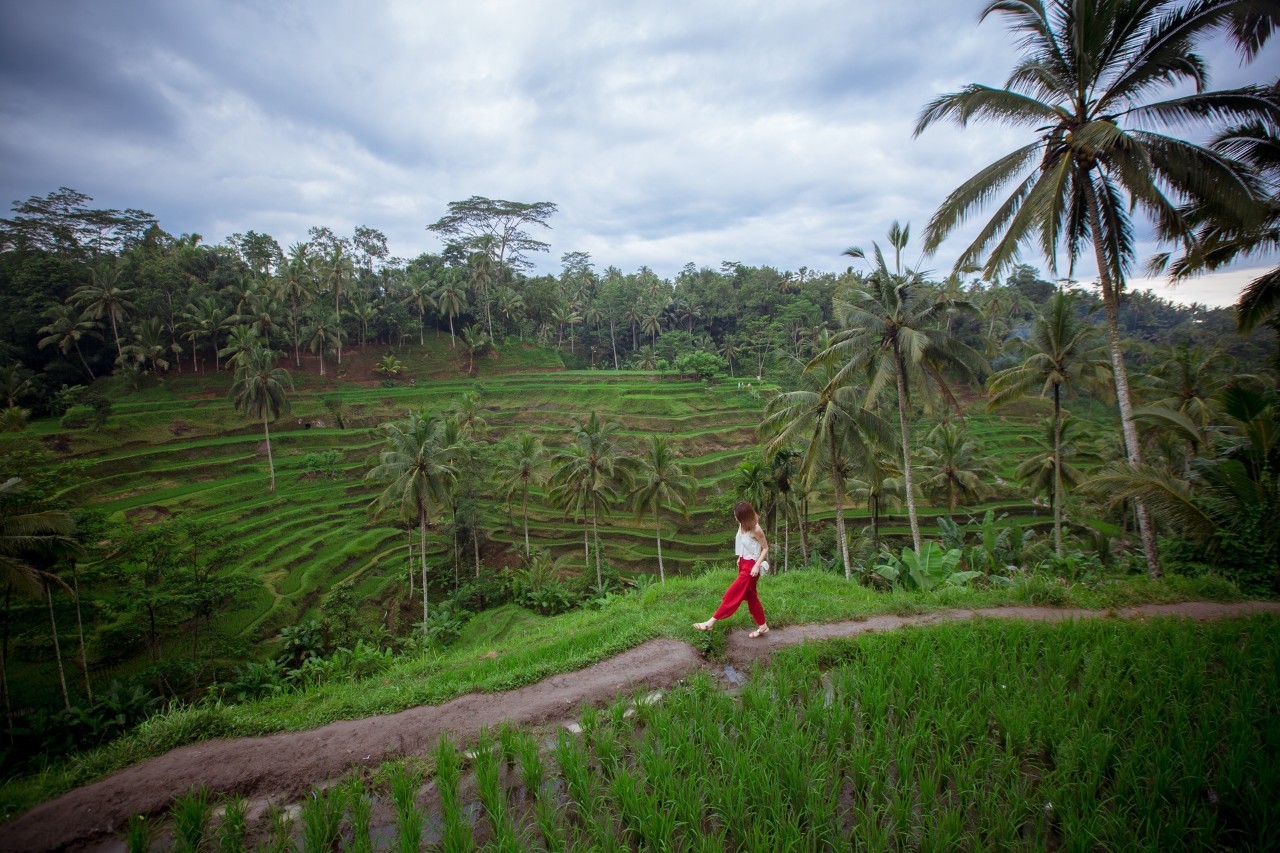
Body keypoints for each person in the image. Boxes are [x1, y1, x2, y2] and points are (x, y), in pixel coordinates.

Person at [694, 500, 770, 638]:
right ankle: (763, 626)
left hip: (751, 568)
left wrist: (756, 565)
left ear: (745, 517)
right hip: (743, 564)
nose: (735, 518)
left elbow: (765, 548)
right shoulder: (742, 525)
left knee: (732, 594)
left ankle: (710, 623)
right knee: (751, 597)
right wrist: (740, 557)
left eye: (737, 516)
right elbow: (741, 540)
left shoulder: (756, 530)